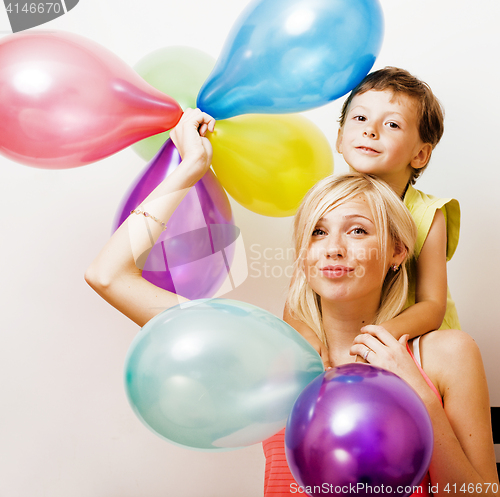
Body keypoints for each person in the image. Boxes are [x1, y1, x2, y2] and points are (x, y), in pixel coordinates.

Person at [85, 110, 498, 496]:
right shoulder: (267, 355)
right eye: (318, 232)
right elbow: (108, 276)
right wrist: (190, 168)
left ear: (396, 252)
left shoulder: (445, 356)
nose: (333, 248)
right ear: (303, 252)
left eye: (357, 231)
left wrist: (422, 399)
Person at [285, 67, 461, 368]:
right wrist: (306, 338)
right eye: (360, 118)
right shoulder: (327, 205)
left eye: (392, 124)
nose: (370, 131)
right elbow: (297, 295)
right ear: (340, 139)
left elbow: (432, 305)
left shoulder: (429, 214)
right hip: (343, 350)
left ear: (420, 154)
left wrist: (378, 340)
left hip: (407, 346)